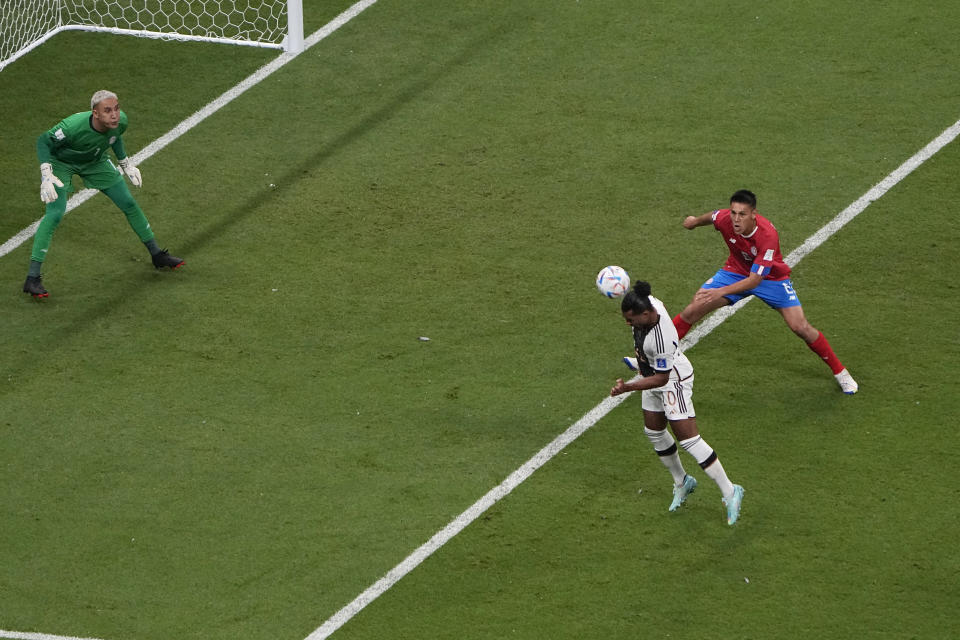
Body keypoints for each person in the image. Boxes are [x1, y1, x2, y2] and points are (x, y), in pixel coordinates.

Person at [650, 189, 857, 394]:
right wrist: (694, 221)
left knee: (800, 326)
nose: (736, 219)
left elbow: (755, 280)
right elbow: (713, 216)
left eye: (742, 214)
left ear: (753, 215)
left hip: (770, 279)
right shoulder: (725, 218)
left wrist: (719, 292)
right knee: (693, 309)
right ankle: (657, 356)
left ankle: (841, 373)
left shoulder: (767, 236)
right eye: (733, 213)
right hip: (736, 271)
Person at [23, 90, 183, 298]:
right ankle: (32, 278)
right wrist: (46, 173)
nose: (114, 114)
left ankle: (157, 255)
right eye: (107, 111)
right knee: (55, 213)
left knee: (128, 202)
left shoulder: (120, 121)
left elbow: (114, 136)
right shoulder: (72, 127)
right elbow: (43, 141)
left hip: (95, 161)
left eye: (116, 108)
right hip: (61, 163)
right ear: (95, 114)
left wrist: (125, 163)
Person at [611, 280, 744, 526]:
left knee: (689, 440)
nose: (628, 324)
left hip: (673, 379)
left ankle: (730, 491)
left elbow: (661, 378)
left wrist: (628, 387)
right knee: (654, 432)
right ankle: (683, 482)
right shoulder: (650, 305)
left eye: (631, 320)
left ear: (646, 314)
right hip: (652, 372)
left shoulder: (660, 338)